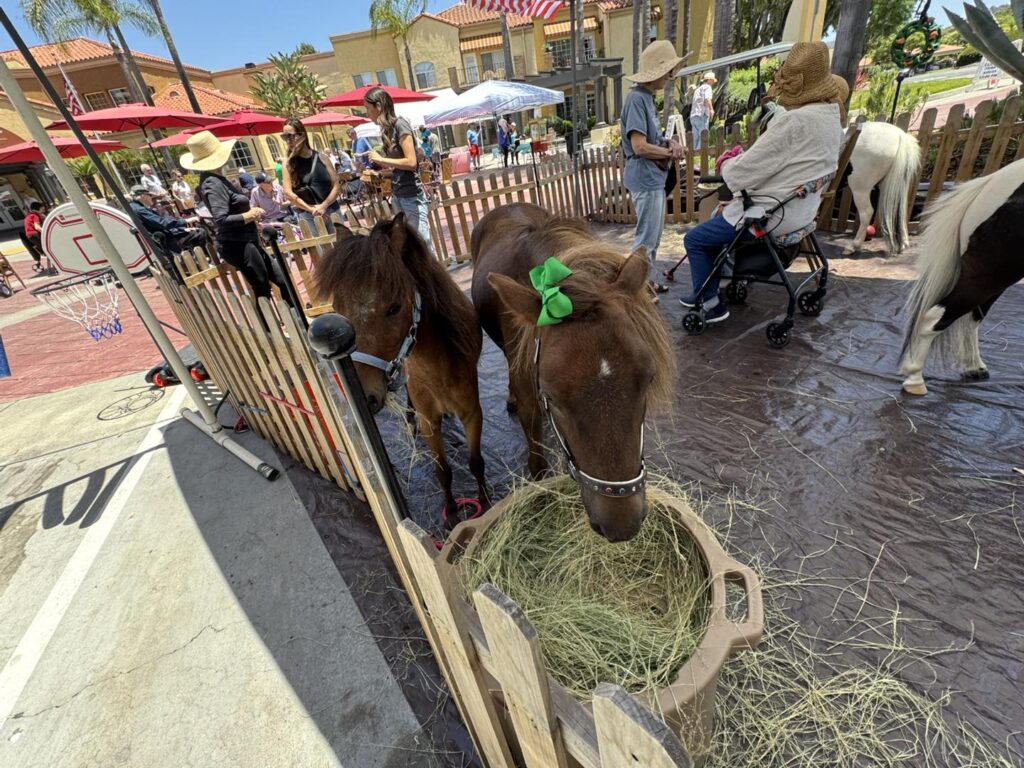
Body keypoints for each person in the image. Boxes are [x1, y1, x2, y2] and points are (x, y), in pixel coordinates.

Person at [680, 41, 843, 324]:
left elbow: (738, 175)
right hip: (800, 212)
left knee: (695, 239)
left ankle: (711, 303)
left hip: (768, 215)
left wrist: (728, 161)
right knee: (714, 233)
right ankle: (705, 287)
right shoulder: (830, 118)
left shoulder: (796, 123)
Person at [180, 130, 294, 306]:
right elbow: (221, 219)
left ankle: (295, 319)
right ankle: (268, 329)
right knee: (261, 286)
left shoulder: (216, 179)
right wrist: (249, 215)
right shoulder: (212, 182)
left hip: (247, 240)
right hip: (238, 243)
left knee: (280, 279)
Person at [620, 39, 685, 297]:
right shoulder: (637, 99)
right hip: (645, 179)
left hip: (652, 179)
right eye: (669, 71)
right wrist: (670, 151)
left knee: (653, 237)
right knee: (646, 239)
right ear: (659, 71)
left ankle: (646, 282)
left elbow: (650, 141)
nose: (671, 76)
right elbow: (639, 147)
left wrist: (669, 143)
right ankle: (635, 289)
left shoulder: (645, 98)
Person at [364, 86, 432, 248]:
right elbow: (399, 169)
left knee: (422, 245)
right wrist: (381, 174)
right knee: (407, 246)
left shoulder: (401, 125)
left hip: (411, 197)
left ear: (379, 106)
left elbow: (411, 162)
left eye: (368, 108)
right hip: (398, 196)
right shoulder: (388, 131)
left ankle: (433, 273)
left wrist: (381, 159)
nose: (367, 113)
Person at [281, 117, 341, 232]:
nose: (288, 140)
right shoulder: (288, 163)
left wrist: (323, 206)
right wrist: (312, 209)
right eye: (285, 137)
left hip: (332, 211)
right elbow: (288, 193)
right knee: (320, 250)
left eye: (291, 136)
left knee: (343, 248)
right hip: (309, 216)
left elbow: (336, 186)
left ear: (302, 136)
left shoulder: (322, 158)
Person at [128, 184, 208, 256]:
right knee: (200, 232)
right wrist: (187, 220)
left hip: (165, 237)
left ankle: (196, 259)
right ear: (143, 196)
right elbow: (162, 223)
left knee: (195, 232)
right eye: (149, 195)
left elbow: (159, 224)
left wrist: (183, 229)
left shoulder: (135, 207)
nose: (151, 198)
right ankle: (202, 259)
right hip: (165, 242)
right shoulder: (139, 209)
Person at [690, 71, 716, 151]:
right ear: (709, 80)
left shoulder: (698, 89)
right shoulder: (707, 87)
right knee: (703, 136)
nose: (713, 83)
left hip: (694, 115)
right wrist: (711, 109)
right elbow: (707, 99)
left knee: (695, 138)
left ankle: (693, 156)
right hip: (702, 115)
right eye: (712, 81)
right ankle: (700, 156)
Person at [23, 201, 45, 271]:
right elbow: (37, 227)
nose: (43, 209)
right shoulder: (35, 216)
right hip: (35, 234)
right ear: (37, 209)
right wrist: (45, 232)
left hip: (29, 236)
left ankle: (39, 262)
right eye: (42, 208)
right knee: (48, 248)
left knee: (44, 249)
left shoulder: (29, 216)